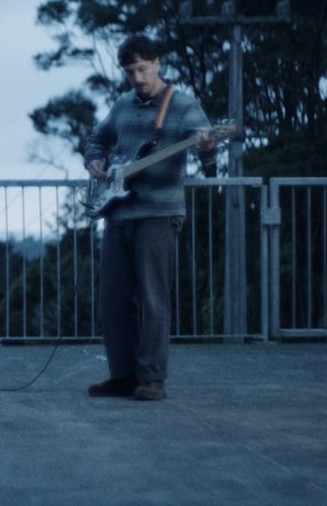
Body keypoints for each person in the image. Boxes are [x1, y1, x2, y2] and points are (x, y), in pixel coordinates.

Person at [83, 34, 215, 401]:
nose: (138, 78)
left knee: (154, 298)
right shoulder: (123, 104)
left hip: (159, 213)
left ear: (157, 63)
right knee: (113, 299)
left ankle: (153, 378)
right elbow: (97, 139)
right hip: (118, 212)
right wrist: (94, 159)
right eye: (130, 72)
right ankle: (123, 376)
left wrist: (207, 147)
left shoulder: (183, 105)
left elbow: (205, 149)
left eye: (143, 69)